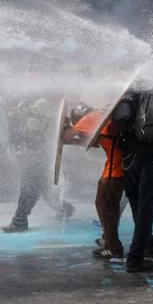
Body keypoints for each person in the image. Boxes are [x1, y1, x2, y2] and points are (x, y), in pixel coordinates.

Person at [113, 84, 153, 273]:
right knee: (146, 208)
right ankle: (140, 252)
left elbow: (120, 118)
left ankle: (139, 253)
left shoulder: (131, 90)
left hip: (131, 155)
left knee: (136, 203)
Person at [2, 98, 75, 233]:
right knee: (44, 189)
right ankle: (64, 209)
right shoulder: (46, 116)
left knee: (28, 190)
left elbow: (33, 139)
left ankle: (19, 221)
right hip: (39, 160)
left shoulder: (39, 118)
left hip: (35, 162)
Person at [63, 106, 126, 260]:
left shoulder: (90, 118)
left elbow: (66, 136)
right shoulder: (102, 118)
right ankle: (110, 240)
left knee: (103, 206)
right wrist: (71, 142)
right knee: (112, 206)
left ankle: (113, 248)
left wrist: (65, 127)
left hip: (115, 169)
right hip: (125, 166)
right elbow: (92, 142)